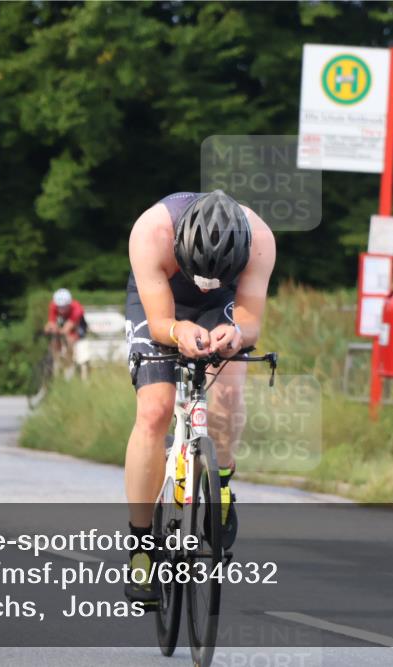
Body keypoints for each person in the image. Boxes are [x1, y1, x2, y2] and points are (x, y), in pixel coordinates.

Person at [123, 190, 276, 603]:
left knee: (226, 397)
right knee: (154, 410)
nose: (202, 281)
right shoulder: (151, 232)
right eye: (197, 271)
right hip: (159, 300)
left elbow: (249, 320)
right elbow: (160, 322)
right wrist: (177, 332)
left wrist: (237, 334)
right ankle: (141, 546)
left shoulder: (259, 239)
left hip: (220, 307)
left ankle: (220, 485)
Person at [44, 288, 87, 369]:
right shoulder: (53, 305)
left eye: (63, 307)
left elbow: (66, 329)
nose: (61, 310)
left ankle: (69, 363)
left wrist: (57, 330)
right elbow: (51, 323)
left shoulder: (77, 309)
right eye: (59, 307)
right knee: (54, 335)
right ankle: (57, 359)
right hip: (65, 321)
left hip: (78, 324)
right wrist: (50, 329)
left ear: (69, 304)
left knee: (70, 339)